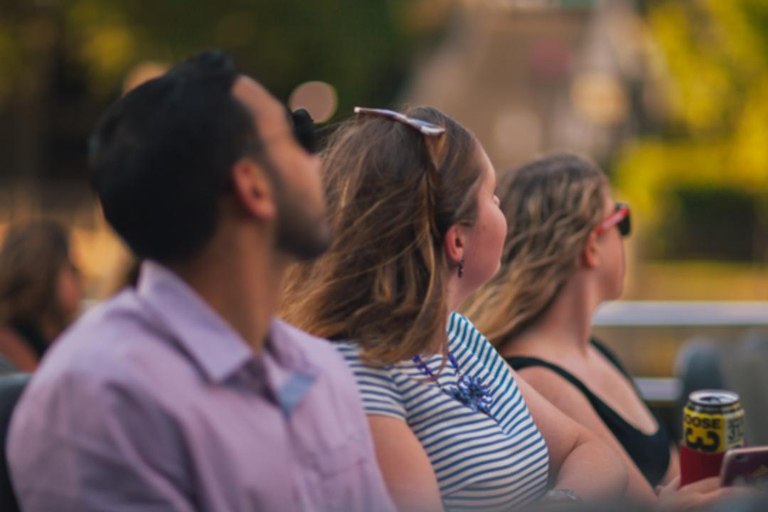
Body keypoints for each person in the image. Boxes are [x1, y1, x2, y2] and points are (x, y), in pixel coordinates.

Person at [7, 50, 395, 512]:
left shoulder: (318, 369)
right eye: (300, 137)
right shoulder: (101, 395)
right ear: (252, 184)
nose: (321, 161)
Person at [281, 107, 629, 511]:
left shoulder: (456, 335)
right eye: (491, 194)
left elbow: (595, 454)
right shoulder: (356, 374)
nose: (501, 203)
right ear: (457, 241)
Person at [460, 152, 733, 503]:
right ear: (591, 247)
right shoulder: (539, 382)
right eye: (622, 220)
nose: (625, 237)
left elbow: (679, 481)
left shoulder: (595, 352)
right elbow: (641, 507)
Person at [0, 221, 83, 372]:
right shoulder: (8, 348)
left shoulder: (60, 339)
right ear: (44, 272)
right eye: (71, 268)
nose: (81, 277)